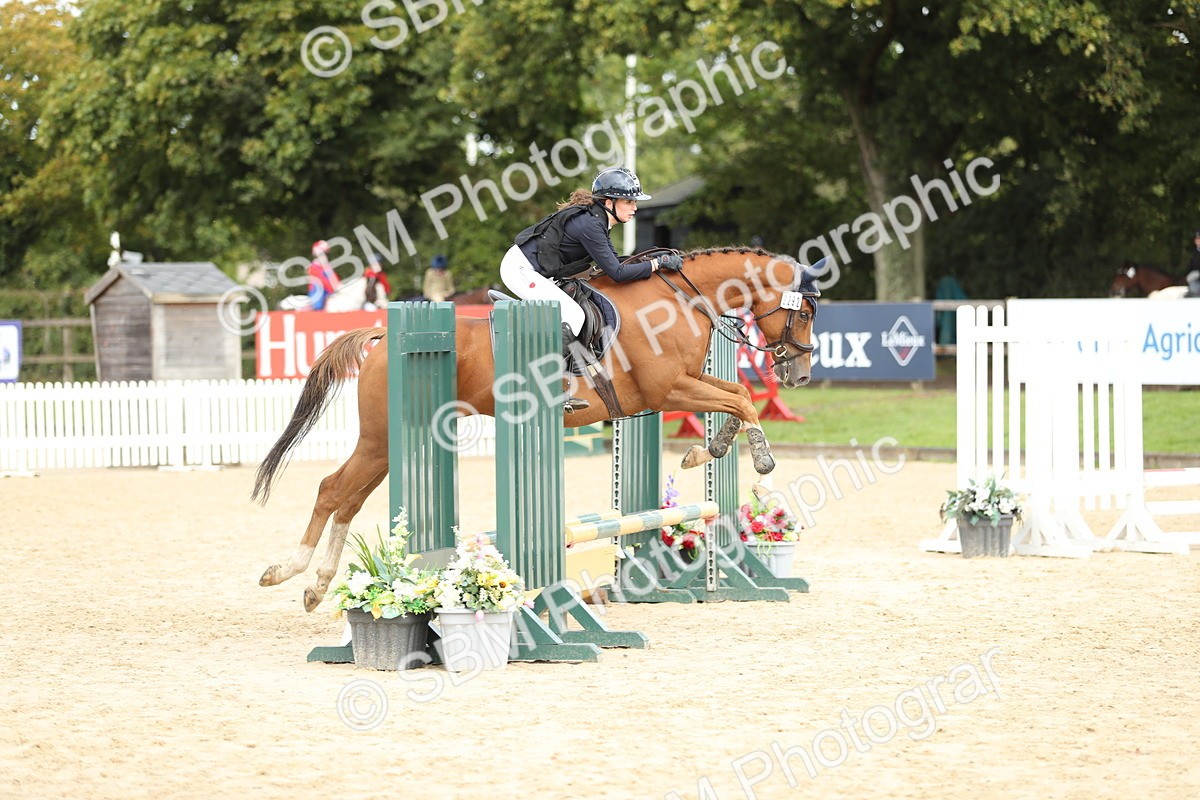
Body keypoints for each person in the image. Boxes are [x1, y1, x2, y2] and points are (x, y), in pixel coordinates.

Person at [500, 166, 683, 411]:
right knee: (574, 315)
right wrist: (657, 264)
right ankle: (551, 386)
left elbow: (614, 263)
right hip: (520, 270)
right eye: (629, 201)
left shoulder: (598, 220)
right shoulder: (591, 225)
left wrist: (651, 260)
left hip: (534, 270)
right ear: (609, 202)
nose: (635, 207)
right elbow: (617, 274)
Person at [305, 240, 341, 311]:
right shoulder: (313, 267)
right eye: (323, 253)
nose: (325, 256)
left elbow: (335, 280)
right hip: (319, 296)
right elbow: (322, 281)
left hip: (328, 293)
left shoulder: (327, 267)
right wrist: (334, 290)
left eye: (325, 253)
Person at [1187, 230, 1200, 298]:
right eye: (1197, 239)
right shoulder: (1194, 252)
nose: (1198, 241)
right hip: (1195, 277)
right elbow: (1191, 266)